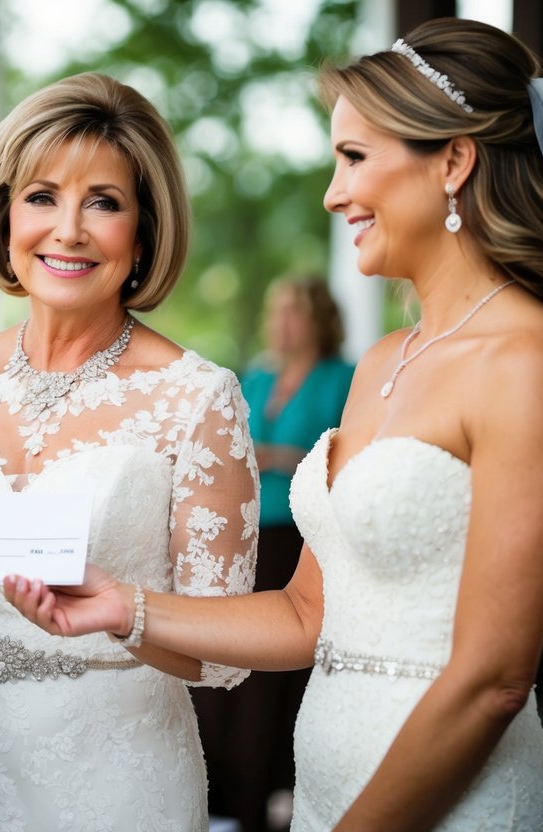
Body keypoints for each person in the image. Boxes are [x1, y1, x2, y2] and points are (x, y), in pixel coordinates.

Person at [6, 18, 543, 831]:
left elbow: (492, 681)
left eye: (352, 158)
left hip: (453, 809)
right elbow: (306, 615)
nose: (332, 194)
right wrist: (118, 606)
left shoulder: (529, 364)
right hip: (322, 797)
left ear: (451, 160)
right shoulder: (383, 361)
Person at [0, 72, 259, 831]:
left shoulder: (198, 398)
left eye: (103, 202)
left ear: (143, 230)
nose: (68, 230)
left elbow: (226, 650)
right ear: (4, 213)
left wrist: (119, 614)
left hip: (113, 779)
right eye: (41, 196)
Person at [192, 276, 352, 830]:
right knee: (225, 663)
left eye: (293, 312)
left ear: (318, 319)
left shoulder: (343, 378)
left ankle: (261, 797)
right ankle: (219, 799)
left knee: (270, 678)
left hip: (299, 544)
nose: (281, 322)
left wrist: (273, 454)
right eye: (276, 311)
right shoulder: (256, 378)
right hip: (246, 539)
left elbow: (340, 456)